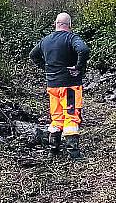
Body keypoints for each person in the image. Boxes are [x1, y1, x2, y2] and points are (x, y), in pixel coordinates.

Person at [30, 12, 90, 159]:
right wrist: (78, 67)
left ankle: (53, 150)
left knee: (56, 117)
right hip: (69, 86)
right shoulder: (71, 38)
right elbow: (83, 50)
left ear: (55, 24)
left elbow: (33, 55)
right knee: (71, 117)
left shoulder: (45, 40)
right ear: (70, 25)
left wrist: (46, 68)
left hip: (52, 86)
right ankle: (73, 152)